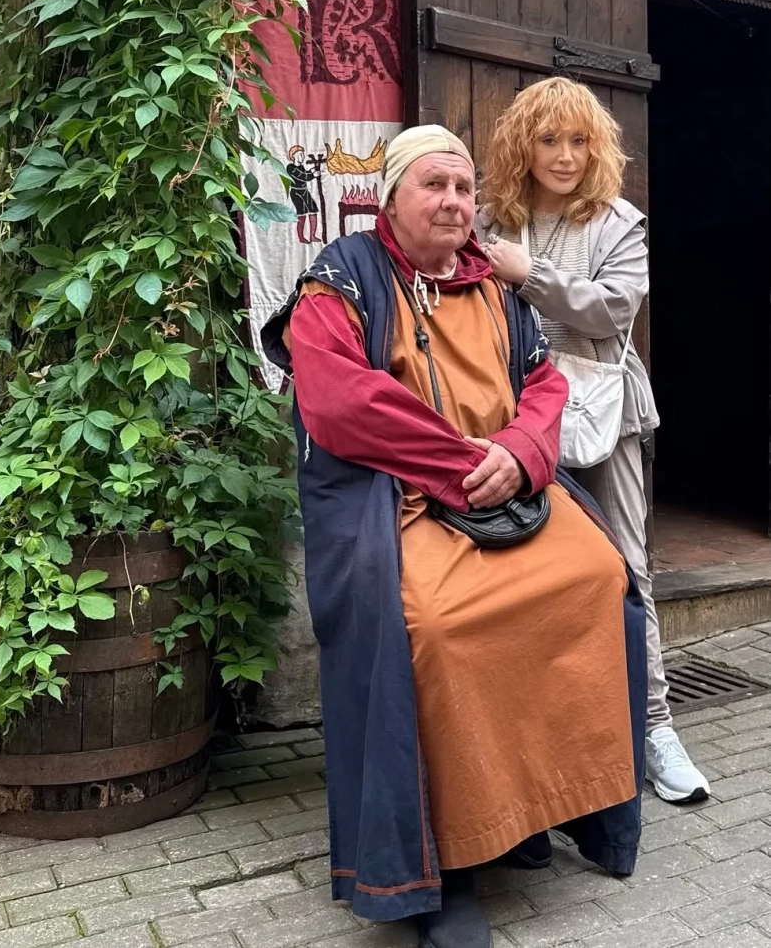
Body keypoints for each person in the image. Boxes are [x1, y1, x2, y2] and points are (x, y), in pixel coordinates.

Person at [262, 124, 646, 948]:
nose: (452, 202)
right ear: (392, 196)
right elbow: (339, 401)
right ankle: (448, 863)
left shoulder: (492, 284)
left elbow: (543, 383)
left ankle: (540, 810)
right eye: (434, 185)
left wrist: (523, 452)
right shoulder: (342, 280)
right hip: (401, 501)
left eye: (464, 189)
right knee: (435, 627)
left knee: (598, 576)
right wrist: (468, 463)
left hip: (505, 489)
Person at [480, 77, 709, 805]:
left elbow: (610, 311)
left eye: (579, 141)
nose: (565, 156)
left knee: (626, 567)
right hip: (511, 417)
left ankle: (656, 727)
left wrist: (529, 275)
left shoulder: (618, 224)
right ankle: (549, 732)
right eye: (549, 140)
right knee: (524, 568)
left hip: (603, 415)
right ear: (522, 146)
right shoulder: (492, 220)